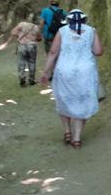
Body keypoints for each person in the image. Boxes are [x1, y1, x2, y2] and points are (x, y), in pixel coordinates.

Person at [39, 9, 103, 148]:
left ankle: (67, 131)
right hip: (86, 72)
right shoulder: (91, 30)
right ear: (84, 20)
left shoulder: (62, 31)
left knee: (64, 100)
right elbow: (98, 52)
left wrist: (45, 72)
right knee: (82, 102)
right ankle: (77, 138)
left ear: (68, 20)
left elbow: (53, 52)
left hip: (64, 71)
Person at [9, 13, 41, 86]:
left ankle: (22, 78)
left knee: (21, 63)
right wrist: (34, 38)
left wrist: (19, 36)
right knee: (32, 62)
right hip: (32, 46)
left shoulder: (21, 24)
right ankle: (31, 80)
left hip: (22, 45)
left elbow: (13, 32)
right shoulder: (36, 27)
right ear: (35, 20)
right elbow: (39, 38)